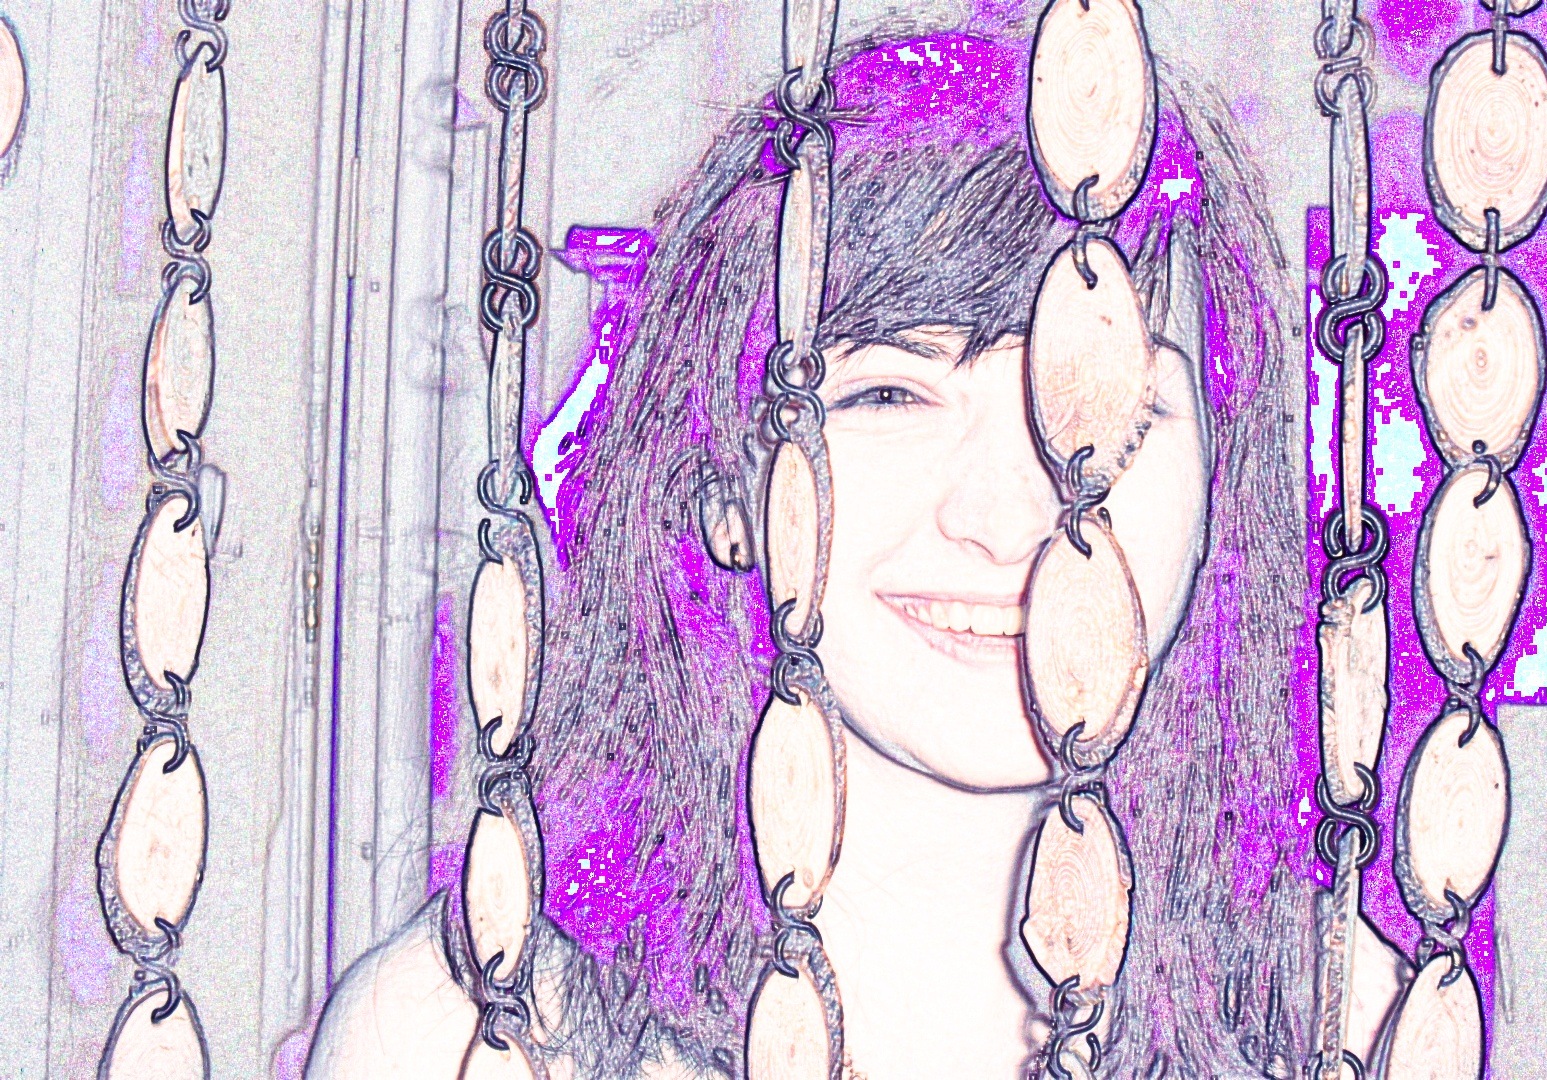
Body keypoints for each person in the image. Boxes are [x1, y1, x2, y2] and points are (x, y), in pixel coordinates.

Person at [310, 27, 1313, 1079]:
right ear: (722, 490)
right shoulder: (457, 1039)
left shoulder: (1354, 1020)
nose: (1011, 516)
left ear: (1222, 487)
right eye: (890, 395)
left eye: (1114, 406)